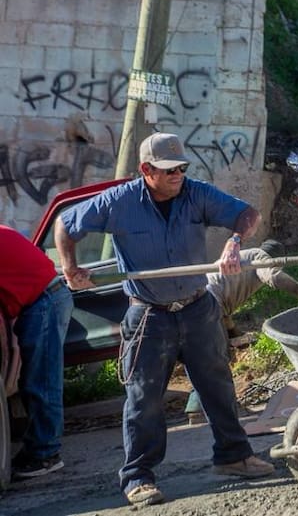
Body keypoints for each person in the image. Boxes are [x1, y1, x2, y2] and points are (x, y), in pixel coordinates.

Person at [55, 132, 276, 507]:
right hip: (149, 316)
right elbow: (65, 223)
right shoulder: (118, 202)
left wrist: (234, 242)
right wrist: (70, 266)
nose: (178, 175)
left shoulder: (197, 193)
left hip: (197, 307)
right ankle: (139, 477)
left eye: (182, 167)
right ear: (146, 170)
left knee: (218, 385)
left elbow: (247, 214)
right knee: (144, 400)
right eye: (169, 170)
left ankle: (234, 457)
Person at [184, 241, 298, 424]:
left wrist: (235, 333)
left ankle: (198, 408)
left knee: (204, 357)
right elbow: (273, 277)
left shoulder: (241, 258)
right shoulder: (258, 257)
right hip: (209, 305)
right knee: (217, 359)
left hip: (199, 304)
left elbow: (222, 306)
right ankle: (211, 409)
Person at [0, 225, 73, 480]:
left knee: (41, 381)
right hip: (48, 296)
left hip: (44, 301)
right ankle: (40, 448)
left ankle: (45, 454)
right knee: (40, 379)